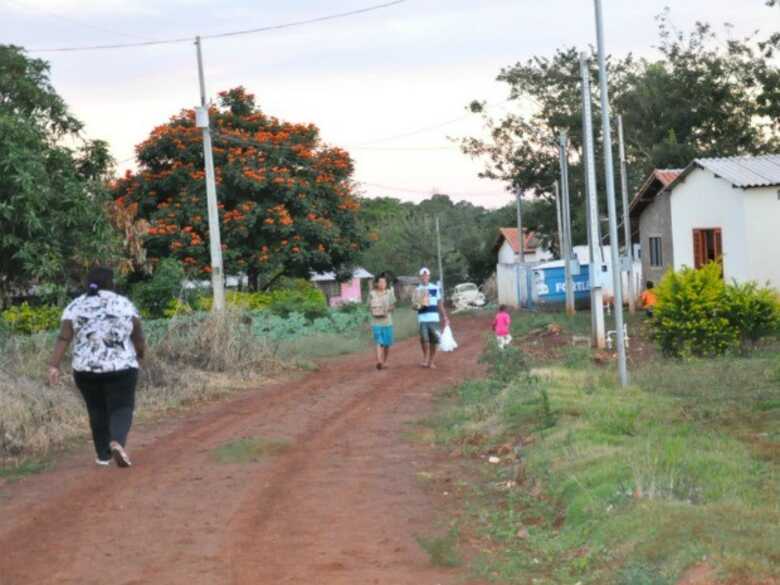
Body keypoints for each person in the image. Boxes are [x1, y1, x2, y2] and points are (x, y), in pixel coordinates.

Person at [48, 267, 146, 468]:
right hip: (122, 367)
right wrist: (140, 356)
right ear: (112, 283)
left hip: (85, 370)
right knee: (122, 407)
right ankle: (117, 442)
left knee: (96, 410)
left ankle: (103, 456)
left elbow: (64, 337)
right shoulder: (124, 304)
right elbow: (138, 337)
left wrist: (54, 366)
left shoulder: (74, 306)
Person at [412, 267, 449, 369]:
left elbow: (440, 304)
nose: (424, 277)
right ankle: (425, 358)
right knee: (424, 339)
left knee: (434, 341)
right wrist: (419, 305)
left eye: (426, 275)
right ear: (420, 277)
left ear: (429, 276)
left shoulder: (435, 288)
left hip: (434, 318)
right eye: (423, 275)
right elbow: (414, 306)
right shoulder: (417, 289)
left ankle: (431, 361)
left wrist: (445, 317)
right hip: (422, 318)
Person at [368, 274, 395, 370]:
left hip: (387, 322)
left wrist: (387, 310)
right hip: (376, 322)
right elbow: (369, 307)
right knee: (379, 342)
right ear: (376, 283)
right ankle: (379, 361)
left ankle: (385, 361)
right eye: (381, 282)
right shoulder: (372, 294)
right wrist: (375, 311)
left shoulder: (389, 293)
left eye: (384, 282)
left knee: (386, 344)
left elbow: (393, 306)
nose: (383, 284)